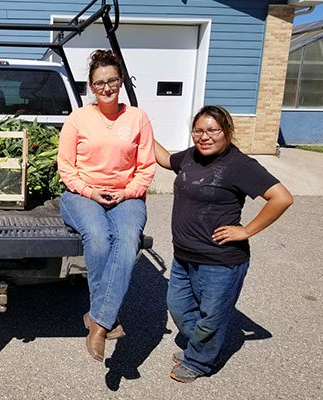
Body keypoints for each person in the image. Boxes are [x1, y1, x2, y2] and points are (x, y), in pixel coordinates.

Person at [154, 105, 293, 383]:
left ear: (227, 131)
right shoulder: (191, 157)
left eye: (212, 130)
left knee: (211, 318)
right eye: (198, 131)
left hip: (220, 261)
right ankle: (202, 348)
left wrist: (246, 231)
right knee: (178, 307)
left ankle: (199, 361)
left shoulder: (239, 165)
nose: (204, 137)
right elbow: (167, 159)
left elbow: (282, 198)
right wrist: (139, 127)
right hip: (184, 256)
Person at [57, 49, 156, 362]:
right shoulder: (78, 119)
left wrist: (129, 192)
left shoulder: (137, 118)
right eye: (100, 83)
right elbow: (66, 166)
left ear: (121, 81)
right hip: (82, 194)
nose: (107, 87)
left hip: (127, 195)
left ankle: (97, 322)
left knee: (128, 241)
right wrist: (90, 191)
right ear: (90, 86)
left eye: (112, 80)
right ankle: (106, 316)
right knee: (98, 237)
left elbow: (146, 165)